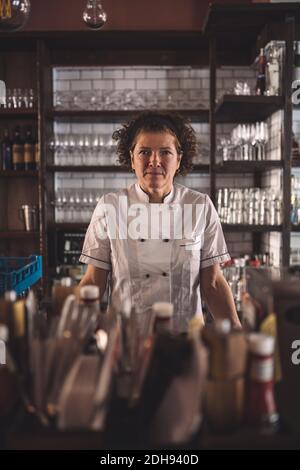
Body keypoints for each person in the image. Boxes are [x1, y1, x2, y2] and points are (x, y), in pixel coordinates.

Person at [79, 111, 241, 329]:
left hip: (185, 341)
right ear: (132, 157)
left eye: (165, 152)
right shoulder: (110, 206)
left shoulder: (199, 206)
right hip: (127, 341)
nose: (154, 161)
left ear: (179, 158)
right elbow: (93, 282)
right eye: (144, 152)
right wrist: (70, 328)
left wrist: (237, 332)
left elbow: (212, 284)